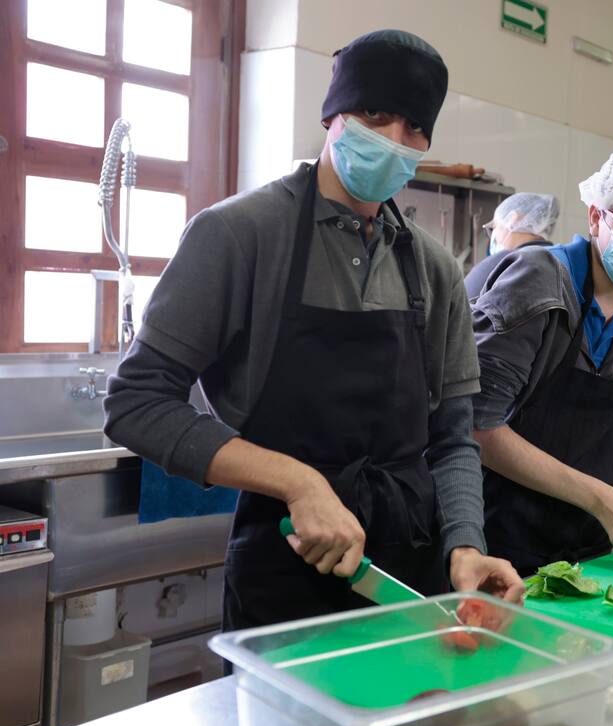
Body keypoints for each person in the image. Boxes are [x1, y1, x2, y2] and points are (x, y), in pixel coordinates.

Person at [103, 29, 523, 631]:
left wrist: (465, 545)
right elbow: (136, 402)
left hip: (409, 574)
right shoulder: (239, 235)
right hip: (284, 566)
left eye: (413, 128)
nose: (393, 139)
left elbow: (452, 438)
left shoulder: (434, 268)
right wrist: (298, 482)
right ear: (333, 116)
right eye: (375, 116)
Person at [466, 147, 613, 575]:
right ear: (596, 218)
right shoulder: (538, 278)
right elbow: (475, 426)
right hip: (497, 538)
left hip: (585, 550)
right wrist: (602, 499)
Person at [466, 192, 559, 299]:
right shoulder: (560, 260)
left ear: (513, 218)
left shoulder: (502, 263)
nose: (492, 236)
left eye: (494, 227)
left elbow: (462, 303)